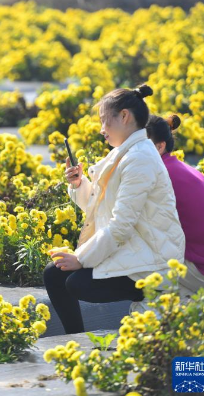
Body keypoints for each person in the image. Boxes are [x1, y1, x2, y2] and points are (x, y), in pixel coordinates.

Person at [43, 84, 185, 334]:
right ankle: (74, 340)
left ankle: (151, 294)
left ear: (124, 116)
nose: (101, 130)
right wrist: (79, 184)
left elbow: (120, 225)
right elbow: (101, 206)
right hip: (135, 247)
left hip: (154, 261)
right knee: (55, 274)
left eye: (104, 121)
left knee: (76, 282)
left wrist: (82, 259)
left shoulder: (139, 158)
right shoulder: (124, 153)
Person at [146, 114, 204, 296]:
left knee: (135, 259)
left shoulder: (160, 176)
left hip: (199, 270)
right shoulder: (179, 167)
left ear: (160, 146)